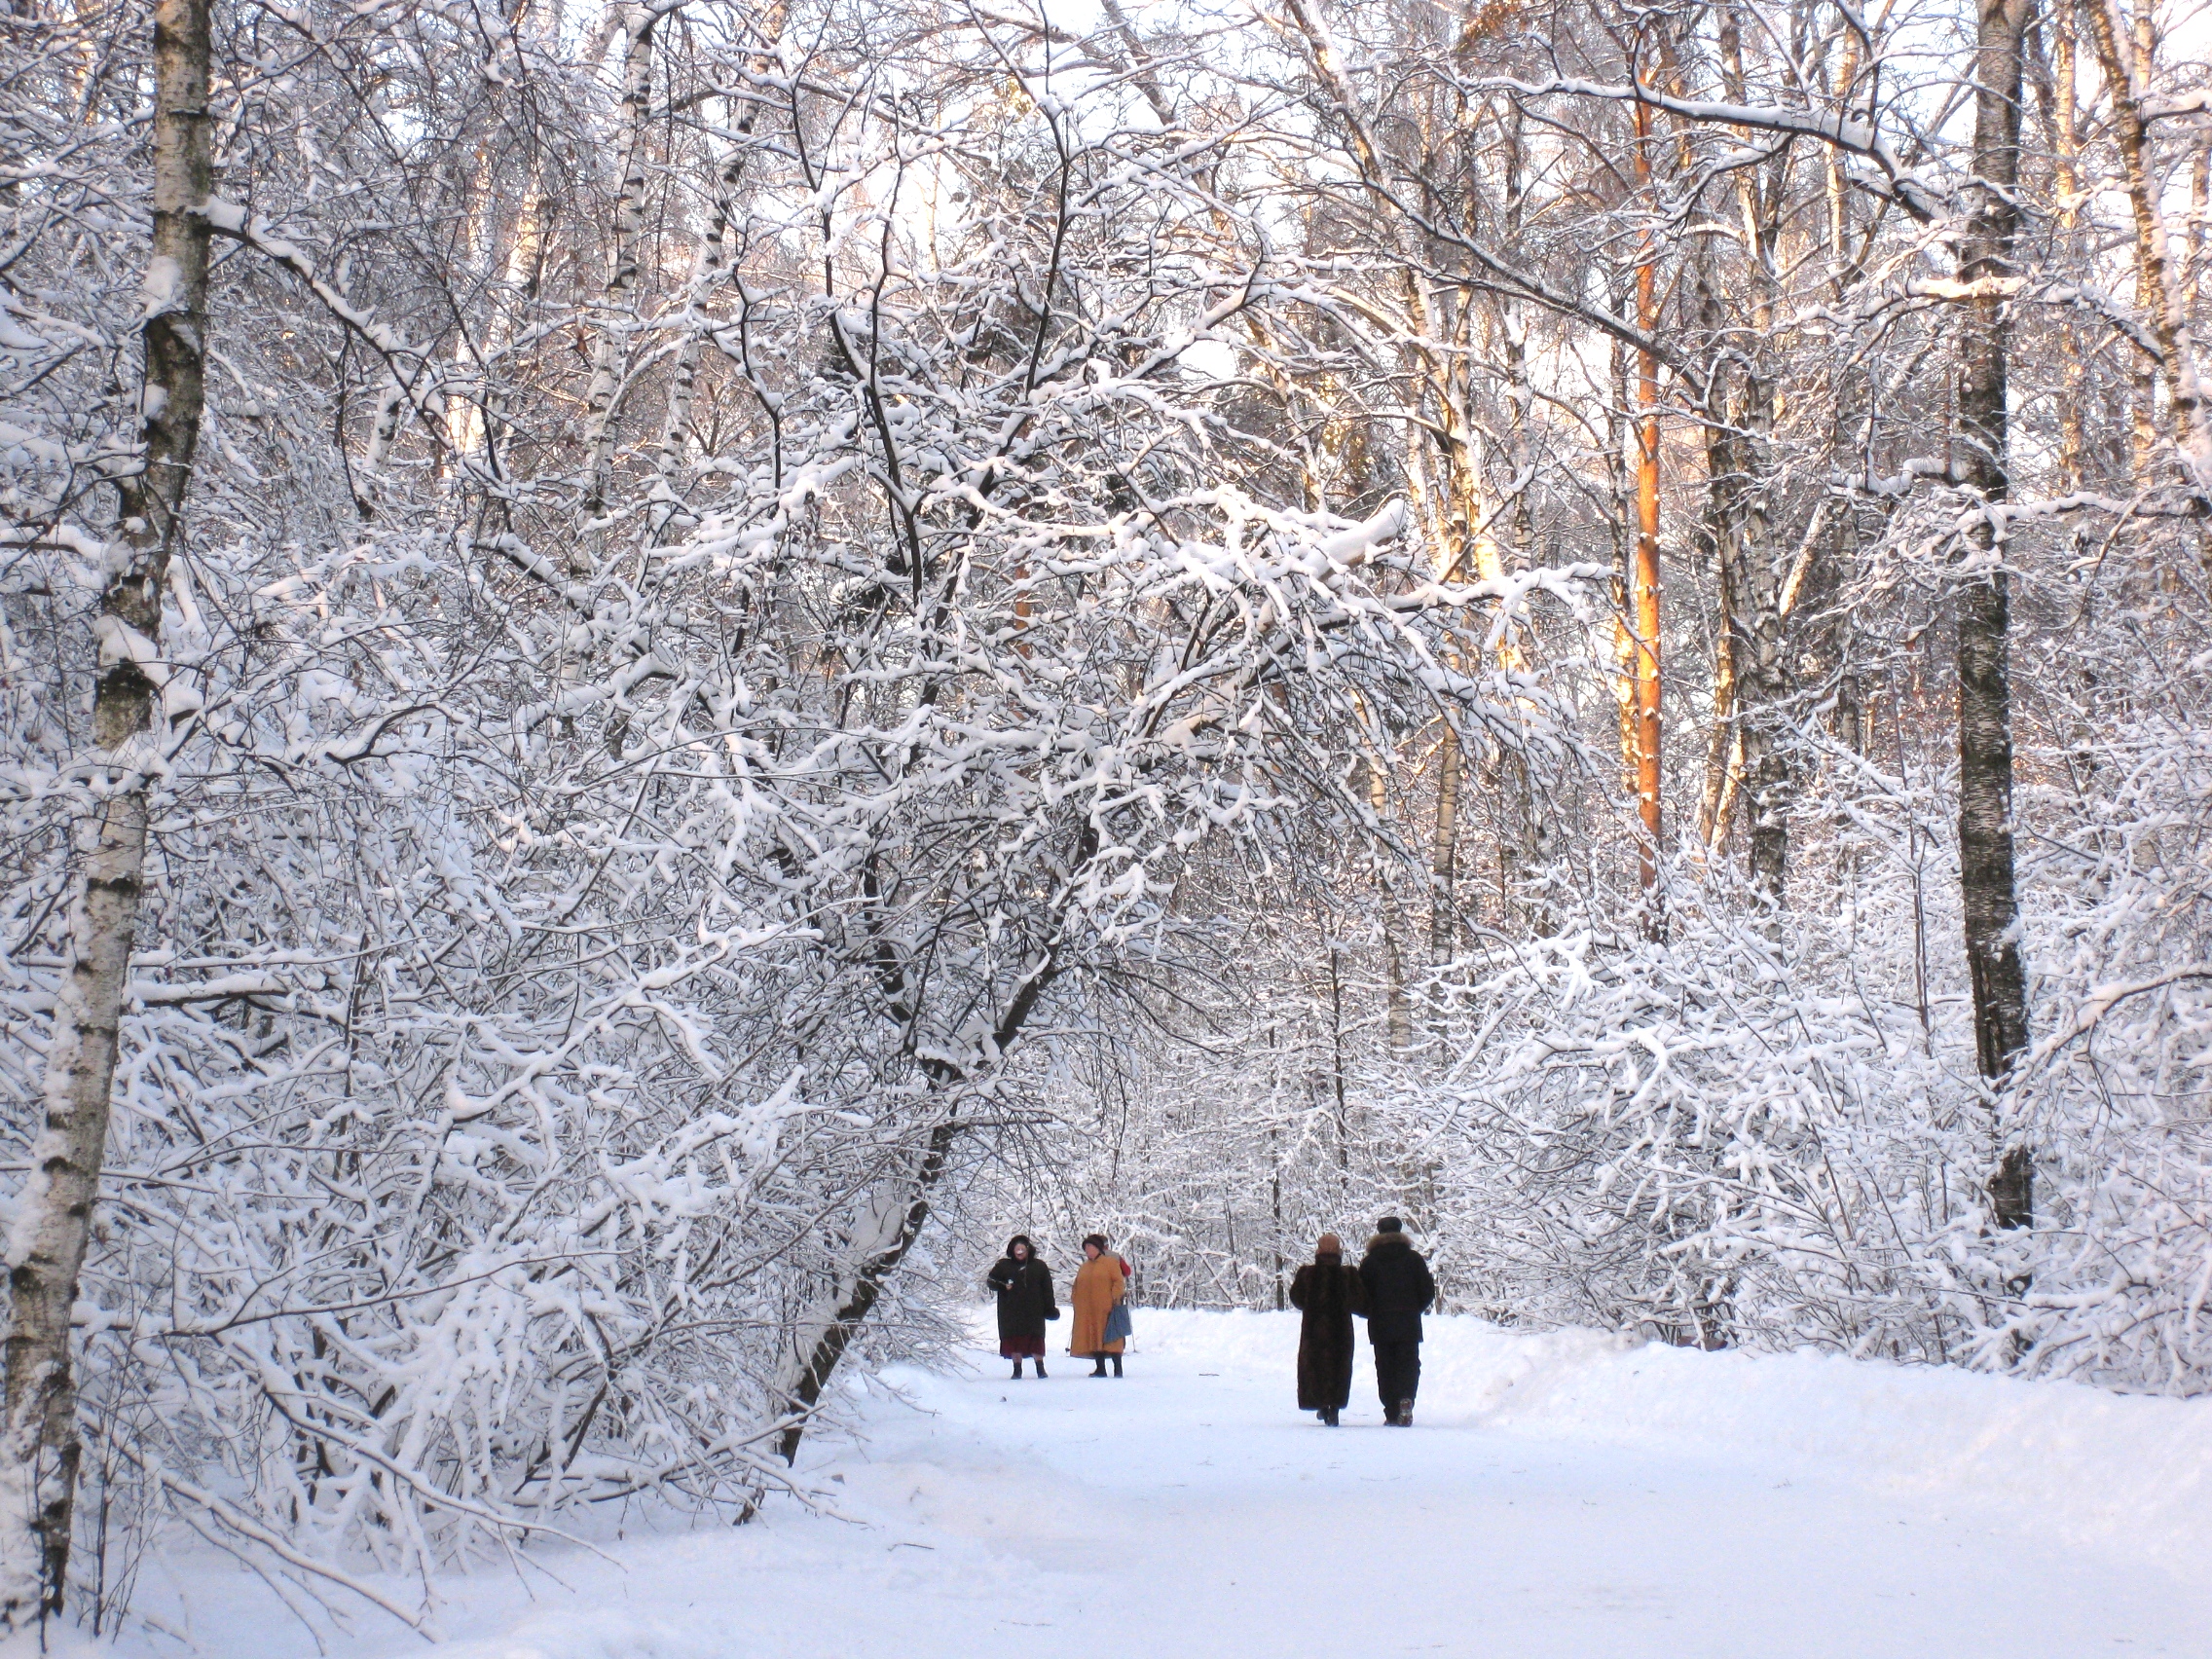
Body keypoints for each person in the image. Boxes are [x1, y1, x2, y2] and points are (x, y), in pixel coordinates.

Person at [1357, 1216, 1435, 1426]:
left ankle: (1391, 1410)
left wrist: (1370, 1312)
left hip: (1381, 1322)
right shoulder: (1414, 1259)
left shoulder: (1370, 1262)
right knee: (1409, 1364)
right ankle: (1406, 1397)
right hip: (1408, 1321)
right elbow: (1427, 1290)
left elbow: (1360, 1293)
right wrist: (1414, 1308)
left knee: (1385, 1366)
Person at [1288, 1232, 1366, 1425]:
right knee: (1339, 1366)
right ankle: (1335, 1407)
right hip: (1341, 1331)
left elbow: (1297, 1300)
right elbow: (1360, 1301)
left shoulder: (1306, 1274)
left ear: (1318, 1250)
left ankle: (1321, 1405)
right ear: (1339, 1251)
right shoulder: (1349, 1275)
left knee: (1315, 1366)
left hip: (1314, 1330)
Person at [986, 1235, 1057, 1379]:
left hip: (1034, 1311)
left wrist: (1049, 1307)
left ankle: (1040, 1368)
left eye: (1022, 1249)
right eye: (1016, 1249)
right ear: (1012, 1250)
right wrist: (1003, 1285)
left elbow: (1047, 1289)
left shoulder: (1039, 1266)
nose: (1019, 1252)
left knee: (1035, 1339)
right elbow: (991, 1281)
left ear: (1028, 1250)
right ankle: (1017, 1370)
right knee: (1014, 1340)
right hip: (1010, 1312)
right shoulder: (1003, 1266)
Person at [1068, 1234, 1128, 1377]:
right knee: (1094, 1337)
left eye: (1090, 1246)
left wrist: (1115, 1297)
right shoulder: (1084, 1267)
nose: (1087, 1250)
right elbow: (1077, 1285)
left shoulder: (1110, 1263)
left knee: (1112, 1337)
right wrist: (1076, 1300)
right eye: (1086, 1247)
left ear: (1098, 1248)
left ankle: (1117, 1369)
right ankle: (1100, 1368)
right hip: (1088, 1310)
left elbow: (1118, 1281)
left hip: (1107, 1308)